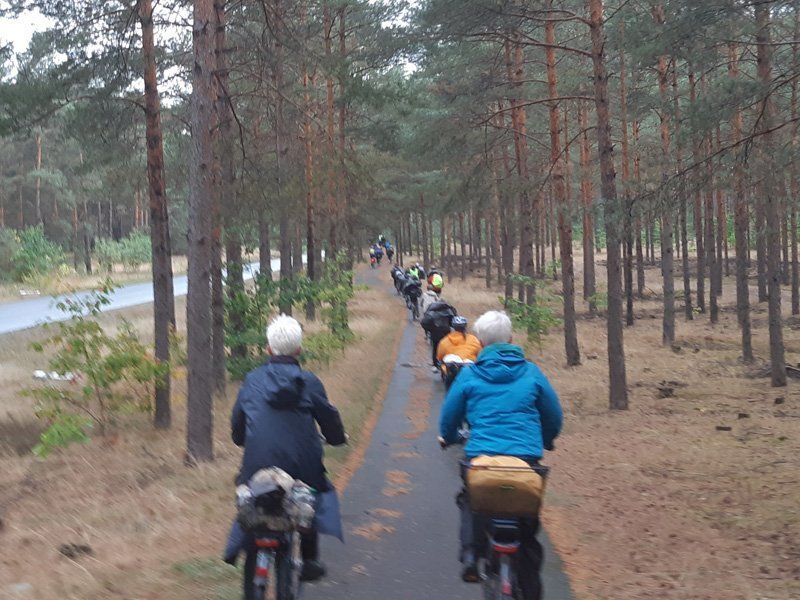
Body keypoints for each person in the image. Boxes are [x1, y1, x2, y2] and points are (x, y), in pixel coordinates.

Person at [438, 311, 563, 598]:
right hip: (526, 462)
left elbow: (449, 417)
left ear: (480, 342)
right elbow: (554, 417)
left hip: (481, 460)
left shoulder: (470, 374)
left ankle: (471, 555)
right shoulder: (532, 372)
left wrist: (448, 436)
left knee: (469, 500)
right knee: (527, 531)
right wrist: (546, 440)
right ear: (511, 339)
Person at [230, 315, 347, 595]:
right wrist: (336, 438)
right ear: (299, 350)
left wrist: (243, 438)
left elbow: (237, 427)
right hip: (301, 471)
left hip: (258, 469)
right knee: (316, 492)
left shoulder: (252, 380)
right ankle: (309, 560)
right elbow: (329, 420)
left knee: (248, 495)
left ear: (268, 349)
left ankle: (240, 548)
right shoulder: (309, 382)